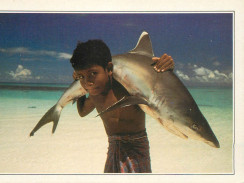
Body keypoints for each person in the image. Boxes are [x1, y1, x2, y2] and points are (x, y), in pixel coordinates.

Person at [70, 39, 174, 173]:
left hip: (136, 146)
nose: (88, 82)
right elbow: (82, 111)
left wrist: (165, 67)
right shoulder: (95, 94)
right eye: (81, 76)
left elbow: (154, 85)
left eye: (93, 74)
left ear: (108, 69)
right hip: (113, 146)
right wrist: (80, 87)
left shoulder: (126, 87)